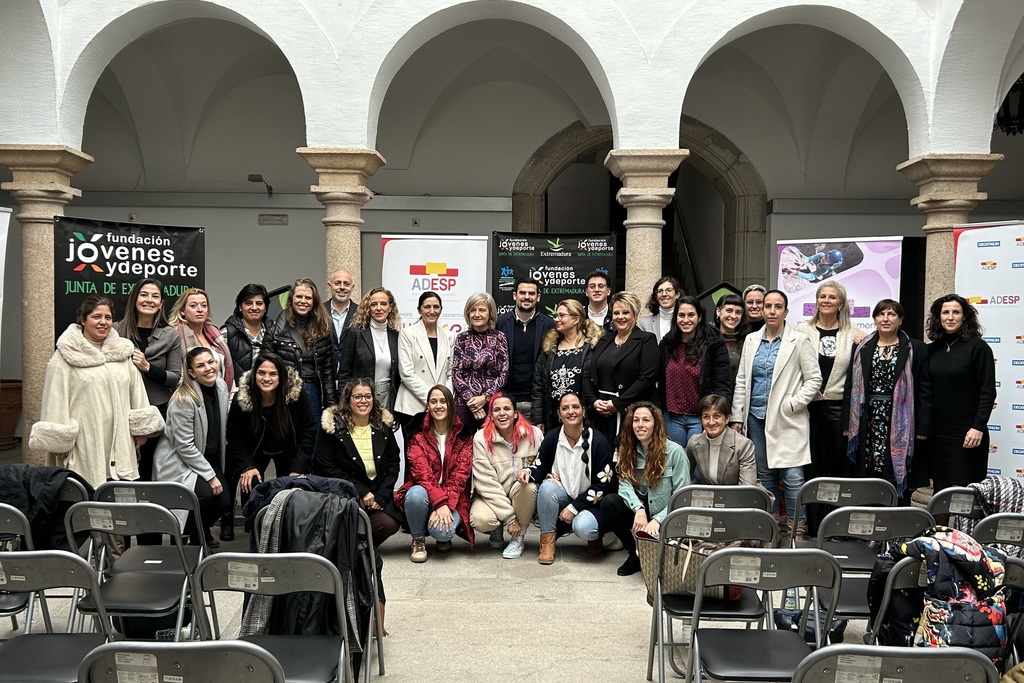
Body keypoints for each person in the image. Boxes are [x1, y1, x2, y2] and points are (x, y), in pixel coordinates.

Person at [31, 295, 164, 489]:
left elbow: (136, 391)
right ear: (83, 319)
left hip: (120, 437)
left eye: (108, 317)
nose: (103, 322)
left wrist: (141, 430)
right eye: (96, 317)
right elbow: (55, 398)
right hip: (85, 440)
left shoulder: (122, 352)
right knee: (85, 492)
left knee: (117, 495)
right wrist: (59, 442)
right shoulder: (65, 354)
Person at [731, 289, 821, 539]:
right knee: (765, 476)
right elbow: (742, 380)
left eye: (777, 306)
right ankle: (770, 527)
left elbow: (814, 379)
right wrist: (737, 416)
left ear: (785, 311)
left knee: (793, 478)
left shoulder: (799, 341)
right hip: (755, 417)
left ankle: (796, 529)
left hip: (787, 419)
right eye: (767, 306)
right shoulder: (751, 340)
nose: (771, 311)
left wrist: (794, 403)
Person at [795, 280, 866, 533]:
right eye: (822, 296)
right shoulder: (801, 330)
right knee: (812, 468)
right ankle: (813, 526)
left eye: (832, 297)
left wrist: (863, 342)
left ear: (841, 303)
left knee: (838, 470)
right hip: (809, 409)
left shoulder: (854, 333)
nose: (826, 300)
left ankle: (836, 527)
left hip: (839, 409)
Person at [846, 300, 932, 503]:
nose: (886, 319)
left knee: (894, 469)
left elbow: (925, 390)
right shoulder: (862, 348)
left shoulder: (915, 348)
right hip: (867, 418)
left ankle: (896, 522)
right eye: (881, 314)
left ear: (900, 320)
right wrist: (846, 424)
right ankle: (870, 519)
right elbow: (850, 387)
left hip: (900, 420)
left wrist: (923, 426)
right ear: (874, 319)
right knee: (869, 467)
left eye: (892, 314)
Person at [516, 392, 614, 564]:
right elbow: (541, 466)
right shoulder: (553, 437)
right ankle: (547, 541)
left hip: (592, 503)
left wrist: (575, 508)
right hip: (564, 496)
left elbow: (603, 485)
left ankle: (594, 536)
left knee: (584, 527)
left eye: (575, 407)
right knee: (547, 488)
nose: (571, 411)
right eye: (565, 408)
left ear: (583, 411)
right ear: (559, 414)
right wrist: (528, 472)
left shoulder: (598, 441)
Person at [600, 401, 690, 577]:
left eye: (646, 420)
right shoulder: (627, 450)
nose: (640, 425)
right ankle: (635, 552)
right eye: (636, 420)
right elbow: (624, 486)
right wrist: (638, 509)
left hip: (666, 513)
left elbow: (682, 495)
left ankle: (653, 551)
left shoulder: (675, 452)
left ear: (655, 424)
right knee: (609, 503)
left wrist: (658, 520)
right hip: (641, 511)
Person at [152, 347, 231, 546]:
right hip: (178, 462)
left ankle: (197, 532)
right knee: (204, 494)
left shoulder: (221, 387)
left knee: (224, 501)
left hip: (205, 458)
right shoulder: (184, 399)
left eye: (211, 362)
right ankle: (187, 538)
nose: (208, 368)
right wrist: (211, 476)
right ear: (191, 372)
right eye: (200, 365)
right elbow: (184, 446)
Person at [315, 378, 403, 548]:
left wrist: (381, 496)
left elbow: (394, 462)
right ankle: (344, 544)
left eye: (368, 396)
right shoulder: (333, 427)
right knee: (353, 511)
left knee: (390, 523)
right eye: (357, 397)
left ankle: (359, 547)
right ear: (348, 399)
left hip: (376, 493)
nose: (363, 401)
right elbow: (327, 467)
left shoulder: (382, 426)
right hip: (344, 494)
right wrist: (361, 491)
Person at [114, 278, 182, 494]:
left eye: (155, 296)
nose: (149, 300)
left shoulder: (170, 335)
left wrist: (147, 367)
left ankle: (149, 519)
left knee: (148, 468)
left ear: (161, 304)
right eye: (144, 295)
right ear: (135, 299)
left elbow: (175, 377)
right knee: (122, 465)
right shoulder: (115, 331)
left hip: (156, 411)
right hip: (121, 410)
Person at [924, 294, 996, 492]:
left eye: (956, 312)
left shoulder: (979, 348)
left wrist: (978, 426)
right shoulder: (930, 350)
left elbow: (987, 391)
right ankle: (940, 525)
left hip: (968, 432)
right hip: (937, 432)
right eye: (945, 312)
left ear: (964, 317)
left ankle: (967, 526)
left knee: (968, 492)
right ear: (938, 318)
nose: (950, 317)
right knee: (940, 489)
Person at [394, 385, 474, 562]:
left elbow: (460, 476)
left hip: (452, 496)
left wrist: (446, 505)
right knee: (415, 494)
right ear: (428, 406)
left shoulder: (464, 434)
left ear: (451, 405)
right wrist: (440, 504)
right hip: (424, 493)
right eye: (434, 401)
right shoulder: (416, 433)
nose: (438, 406)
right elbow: (422, 474)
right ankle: (418, 539)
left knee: (443, 533)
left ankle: (441, 538)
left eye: (443, 401)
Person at [226, 352, 317, 503]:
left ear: (281, 376)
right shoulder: (242, 397)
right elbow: (233, 435)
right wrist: (247, 466)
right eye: (261, 373)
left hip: (287, 447)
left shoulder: (296, 395)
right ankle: (247, 523)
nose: (266, 378)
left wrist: (297, 468)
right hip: (255, 448)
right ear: (255, 374)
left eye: (273, 374)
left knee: (291, 491)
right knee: (252, 485)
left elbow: (309, 429)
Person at [471, 394, 543, 559]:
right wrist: (509, 518)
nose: (502, 413)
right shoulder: (481, 438)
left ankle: (519, 537)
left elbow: (542, 466)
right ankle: (496, 528)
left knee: (529, 485)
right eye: (497, 410)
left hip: (519, 494)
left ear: (516, 413)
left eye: (507, 409)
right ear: (491, 416)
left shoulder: (534, 435)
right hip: (492, 495)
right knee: (481, 519)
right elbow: (485, 482)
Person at [659, 295, 732, 448]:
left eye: (691, 315)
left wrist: (717, 415)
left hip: (702, 417)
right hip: (672, 416)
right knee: (677, 464)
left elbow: (722, 382)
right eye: (681, 315)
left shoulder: (713, 342)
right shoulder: (667, 343)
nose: (686, 320)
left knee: (700, 469)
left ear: (699, 317)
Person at [590, 291, 659, 449]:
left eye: (626, 312)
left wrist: (617, 403)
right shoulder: (603, 339)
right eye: (616, 313)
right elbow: (589, 374)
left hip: (632, 413)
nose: (620, 317)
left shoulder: (646, 340)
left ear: (635, 314)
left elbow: (646, 378)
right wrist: (594, 401)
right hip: (602, 414)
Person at [267, 278, 338, 419]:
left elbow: (328, 370)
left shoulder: (323, 326)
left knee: (312, 434)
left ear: (314, 301)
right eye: (299, 296)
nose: (303, 301)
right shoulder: (277, 327)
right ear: (292, 298)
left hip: (313, 388)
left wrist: (331, 406)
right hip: (284, 389)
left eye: (308, 298)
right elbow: (266, 363)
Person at [530, 298, 602, 433]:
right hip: (554, 419)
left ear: (576, 319)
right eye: (556, 316)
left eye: (562, 315)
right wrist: (538, 420)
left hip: (587, 419)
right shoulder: (549, 350)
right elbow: (538, 387)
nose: (557, 319)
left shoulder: (593, 348)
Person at [394, 291, 454, 438]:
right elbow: (406, 373)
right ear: (419, 309)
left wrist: (441, 400)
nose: (432, 311)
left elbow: (452, 372)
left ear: (441, 309)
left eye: (436, 307)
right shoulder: (407, 334)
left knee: (437, 456)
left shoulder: (450, 336)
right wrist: (431, 399)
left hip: (441, 408)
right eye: (427, 307)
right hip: (412, 407)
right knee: (414, 457)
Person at [495, 278, 554, 420]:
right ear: (515, 295)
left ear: (538, 297)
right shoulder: (501, 323)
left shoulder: (549, 325)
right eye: (522, 293)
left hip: (537, 400)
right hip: (507, 398)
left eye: (531, 293)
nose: (527, 297)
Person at [451, 292, 509, 431]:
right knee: (462, 449)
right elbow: (456, 373)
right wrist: (472, 402)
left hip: (492, 404)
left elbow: (503, 373)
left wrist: (484, 398)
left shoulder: (499, 337)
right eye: (473, 310)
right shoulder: (461, 338)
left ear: (490, 314)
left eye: (482, 310)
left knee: (491, 446)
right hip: (464, 404)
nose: (477, 314)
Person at [337, 287, 401, 411]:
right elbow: (344, 373)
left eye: (383, 304)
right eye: (373, 304)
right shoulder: (355, 333)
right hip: (360, 397)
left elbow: (397, 377)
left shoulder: (395, 336)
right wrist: (344, 403)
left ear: (390, 307)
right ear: (368, 308)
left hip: (388, 398)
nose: (378, 308)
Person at [169, 288, 234, 387]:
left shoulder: (215, 333)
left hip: (221, 394)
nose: (200, 310)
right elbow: (176, 375)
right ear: (182, 311)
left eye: (204, 305)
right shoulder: (174, 335)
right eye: (193, 306)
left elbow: (225, 369)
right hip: (189, 397)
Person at [686, 394, 757, 486]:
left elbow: (748, 487)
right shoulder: (694, 442)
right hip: (711, 495)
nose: (711, 422)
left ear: (727, 419)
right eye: (706, 417)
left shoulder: (743, 445)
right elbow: (685, 474)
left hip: (739, 496)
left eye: (716, 416)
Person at [221, 283, 275, 386]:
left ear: (265, 308)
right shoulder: (227, 333)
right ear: (240, 307)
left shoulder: (274, 332)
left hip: (268, 394)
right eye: (248, 303)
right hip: (237, 396)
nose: (254, 308)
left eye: (259, 303)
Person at [326, 268, 358, 372]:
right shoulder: (318, 312)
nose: (342, 287)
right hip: (324, 378)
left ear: (352, 288)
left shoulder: (361, 313)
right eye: (337, 283)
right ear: (329, 286)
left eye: (346, 284)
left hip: (352, 379)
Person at [715, 293, 749, 384]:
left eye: (738, 312)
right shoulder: (707, 338)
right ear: (718, 311)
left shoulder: (747, 341)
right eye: (729, 310)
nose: (733, 316)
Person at [638, 276, 682, 343]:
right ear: (656, 296)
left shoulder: (685, 321)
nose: (664, 294)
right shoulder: (644, 324)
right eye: (660, 291)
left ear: (677, 294)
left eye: (669, 290)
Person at [584, 270, 614, 334]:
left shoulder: (616, 315)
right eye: (592, 286)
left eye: (601, 286)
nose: (596, 290)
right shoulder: (579, 316)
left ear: (608, 291)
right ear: (586, 292)